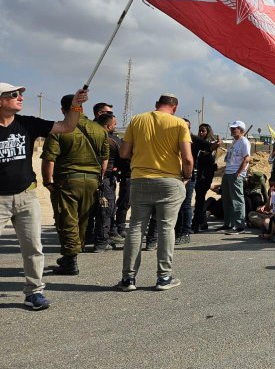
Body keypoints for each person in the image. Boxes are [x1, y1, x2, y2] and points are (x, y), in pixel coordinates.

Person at [0, 83, 88, 310]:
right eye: (13, 95)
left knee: (33, 248)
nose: (20, 97)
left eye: (20, 94)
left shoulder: (26, 123)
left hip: (26, 197)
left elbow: (67, 126)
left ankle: (34, 292)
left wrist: (76, 106)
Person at [116, 93, 193, 292]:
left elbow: (123, 153)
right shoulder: (179, 124)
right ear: (174, 108)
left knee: (135, 228)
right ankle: (163, 277)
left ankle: (128, 278)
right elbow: (188, 159)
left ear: (157, 104)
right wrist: (186, 176)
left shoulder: (138, 120)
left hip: (140, 179)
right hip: (169, 181)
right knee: (166, 228)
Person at [41, 94, 109, 274]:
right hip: (92, 181)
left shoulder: (59, 129)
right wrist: (99, 179)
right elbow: (104, 159)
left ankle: (70, 260)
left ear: (63, 110)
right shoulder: (99, 129)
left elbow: (49, 159)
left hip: (67, 180)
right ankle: (71, 254)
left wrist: (47, 181)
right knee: (83, 219)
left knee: (66, 220)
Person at [96, 113, 124, 247]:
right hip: (105, 178)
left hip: (91, 177)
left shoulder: (89, 136)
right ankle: (102, 241)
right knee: (106, 209)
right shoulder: (113, 141)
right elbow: (123, 158)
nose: (115, 126)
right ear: (108, 126)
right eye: (114, 124)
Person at [220, 120, 251, 234]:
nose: (232, 130)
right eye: (231, 128)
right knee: (226, 200)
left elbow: (247, 158)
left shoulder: (244, 142)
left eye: (234, 128)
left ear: (241, 130)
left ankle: (240, 225)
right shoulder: (234, 141)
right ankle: (228, 224)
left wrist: (239, 173)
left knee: (237, 200)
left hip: (235, 174)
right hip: (228, 173)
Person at [191, 123, 219, 233]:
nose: (201, 133)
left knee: (200, 200)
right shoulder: (197, 143)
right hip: (197, 175)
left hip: (205, 176)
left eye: (203, 131)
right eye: (200, 131)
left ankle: (197, 224)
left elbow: (209, 160)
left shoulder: (210, 145)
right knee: (199, 199)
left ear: (208, 132)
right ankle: (202, 222)